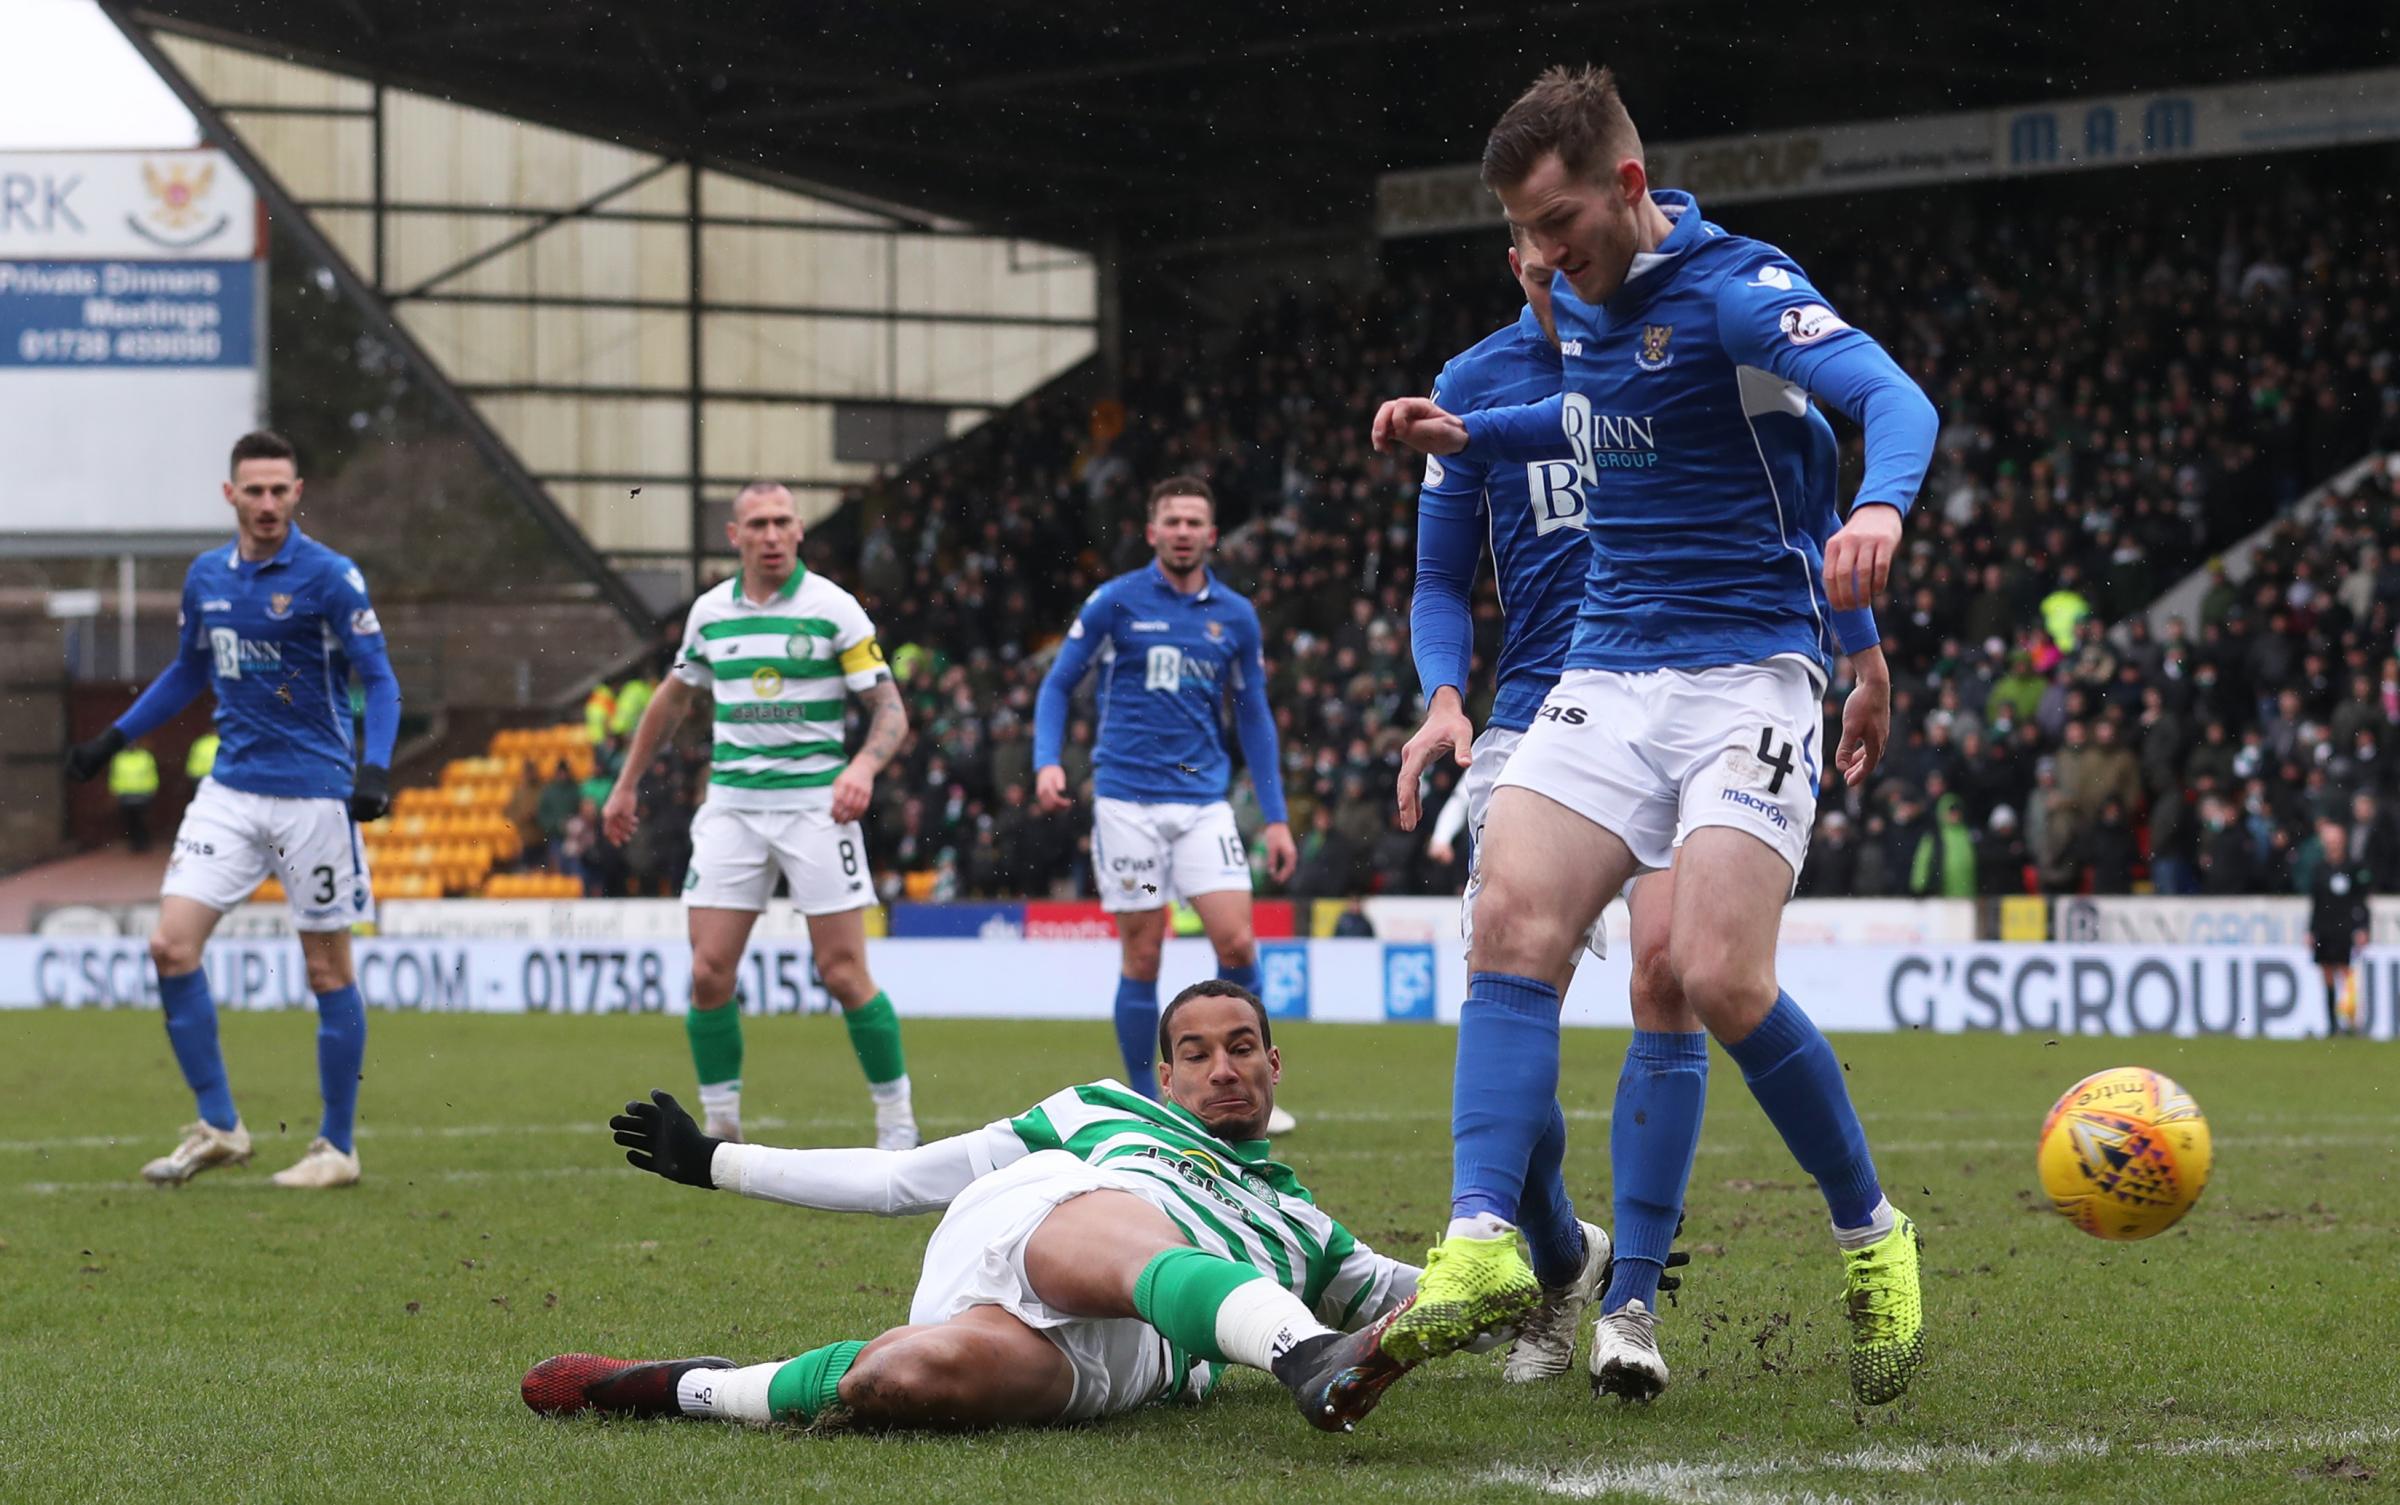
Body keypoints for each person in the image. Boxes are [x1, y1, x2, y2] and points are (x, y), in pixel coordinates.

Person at [1370, 65, 1936, 1404]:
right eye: (1518, 232)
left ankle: (1870, 1229)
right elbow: (1597, 417)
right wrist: (1475, 430)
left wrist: (1885, 513)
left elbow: (1895, 400)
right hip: (1606, 667)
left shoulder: (1741, 290)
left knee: (1714, 975)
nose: (1540, 256)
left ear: (1629, 188)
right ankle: (1479, 1244)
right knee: (1509, 921)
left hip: (1748, 671)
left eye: (1556, 222)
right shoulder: (1578, 300)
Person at [522, 982, 1531, 1435]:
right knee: (1128, 1226)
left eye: (1241, 1046)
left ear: (1275, 1060)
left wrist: (1566, 1261)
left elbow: (1434, 1298)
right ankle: (1305, 1357)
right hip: (1030, 1225)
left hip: (1126, 1355)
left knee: (900, 1377)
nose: (1222, 1066)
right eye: (1196, 1050)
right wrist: (716, 1162)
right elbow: (899, 1178)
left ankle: (681, 1386)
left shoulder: (1313, 1231)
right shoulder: (1098, 1111)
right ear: (1165, 1073)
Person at [62, 429, 400, 1189]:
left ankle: (337, 1147)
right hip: (232, 790)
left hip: (313, 795)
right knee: (170, 947)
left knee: (325, 966)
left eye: (281, 489)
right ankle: (220, 1126)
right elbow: (187, 672)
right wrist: (113, 737)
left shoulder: (331, 577)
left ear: (298, 493)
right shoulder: (206, 576)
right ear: (231, 495)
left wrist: (372, 767)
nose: (269, 503)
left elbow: (380, 680)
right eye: (256, 490)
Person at [607, 482, 919, 1151]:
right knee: (708, 971)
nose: (772, 534)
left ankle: (897, 1124)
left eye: (782, 522)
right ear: (735, 535)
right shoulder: (710, 613)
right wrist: (626, 783)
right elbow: (671, 699)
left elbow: (890, 708)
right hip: (733, 809)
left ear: (800, 530)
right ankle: (721, 1126)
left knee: (843, 972)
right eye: (759, 524)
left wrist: (861, 767)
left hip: (816, 809)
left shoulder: (834, 608)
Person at [1033, 476, 1300, 1134]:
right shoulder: (1114, 603)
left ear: (1212, 534)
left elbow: (1255, 715)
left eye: (1194, 521)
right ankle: (1146, 1101)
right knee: (1144, 953)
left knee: (1237, 938)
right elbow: (1058, 683)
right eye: (1172, 520)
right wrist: (1046, 759)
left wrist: (1276, 816)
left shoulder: (1234, 615)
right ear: (1153, 531)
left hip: (1203, 805)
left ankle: (1248, 1088)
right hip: (1128, 805)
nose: (1183, 531)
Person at [2307, 820, 2373, 1038]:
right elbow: (2315, 903)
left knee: (2347, 974)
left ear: (2343, 842)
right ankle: (2331, 1025)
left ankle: (2351, 1023)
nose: (2332, 845)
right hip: (2324, 928)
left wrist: (2363, 927)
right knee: (2326, 974)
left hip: (2345, 928)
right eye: (2329, 841)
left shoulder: (2353, 868)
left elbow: (2362, 901)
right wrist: (2310, 930)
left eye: (2336, 841)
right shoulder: (2319, 869)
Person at [108, 740, 160, 852]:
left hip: (142, 794)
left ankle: (144, 842)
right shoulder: (119, 758)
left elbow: (152, 774)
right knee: (130, 821)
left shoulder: (145, 756)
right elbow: (114, 776)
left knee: (142, 820)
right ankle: (135, 844)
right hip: (125, 795)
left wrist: (152, 788)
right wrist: (115, 790)